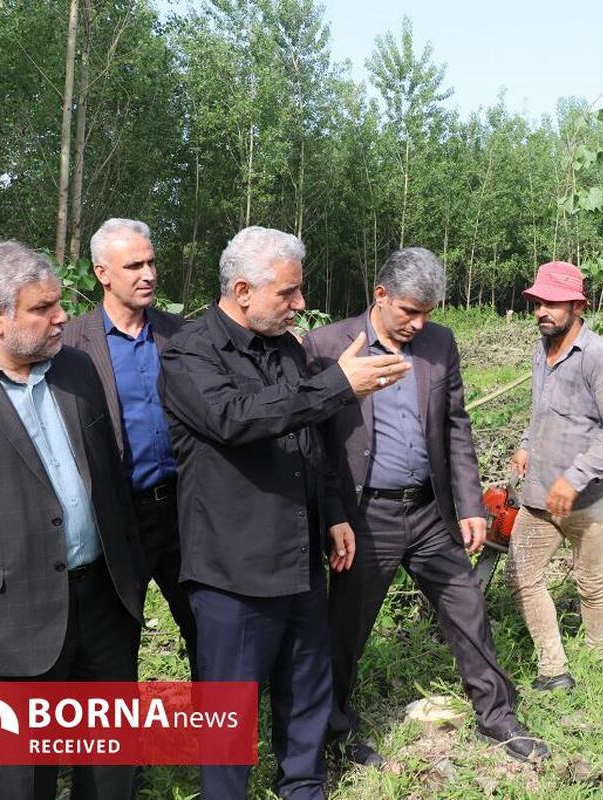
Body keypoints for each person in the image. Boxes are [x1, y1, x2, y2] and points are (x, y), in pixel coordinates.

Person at [159, 226, 408, 799]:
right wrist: (337, 386)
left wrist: (336, 513)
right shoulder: (190, 352)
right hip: (233, 570)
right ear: (242, 290)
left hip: (299, 556)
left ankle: (304, 786)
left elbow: (309, 440)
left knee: (306, 688)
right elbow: (237, 418)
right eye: (288, 293)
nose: (300, 305)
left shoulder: (288, 348)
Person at [303, 247, 549, 765]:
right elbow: (318, 447)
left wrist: (470, 504)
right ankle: (331, 733)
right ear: (381, 295)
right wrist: (334, 516)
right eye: (408, 311)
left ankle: (497, 717)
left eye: (427, 313)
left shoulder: (439, 344)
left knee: (467, 608)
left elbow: (456, 427)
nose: (418, 323)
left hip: (429, 512)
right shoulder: (328, 346)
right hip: (364, 517)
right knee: (345, 628)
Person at [0, 242, 147, 799]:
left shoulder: (75, 367)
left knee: (108, 767)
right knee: (22, 782)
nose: (62, 316)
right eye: (43, 307)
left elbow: (109, 479)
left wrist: (131, 577)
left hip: (102, 604)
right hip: (6, 625)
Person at [63, 218, 197, 678]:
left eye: (152, 262)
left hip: (183, 510)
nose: (149, 274)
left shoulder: (180, 335)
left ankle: (214, 742)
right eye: (134, 265)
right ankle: (121, 747)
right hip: (117, 517)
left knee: (205, 626)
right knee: (117, 641)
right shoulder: (69, 346)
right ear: (102, 273)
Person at [505, 260, 603, 691]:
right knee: (522, 574)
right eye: (538, 302)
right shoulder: (541, 352)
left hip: (588, 498)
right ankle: (553, 667)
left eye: (553, 303)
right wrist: (527, 442)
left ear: (578, 305)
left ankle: (596, 663)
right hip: (540, 492)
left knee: (590, 584)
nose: (542, 310)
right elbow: (542, 408)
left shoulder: (601, 359)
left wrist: (575, 477)